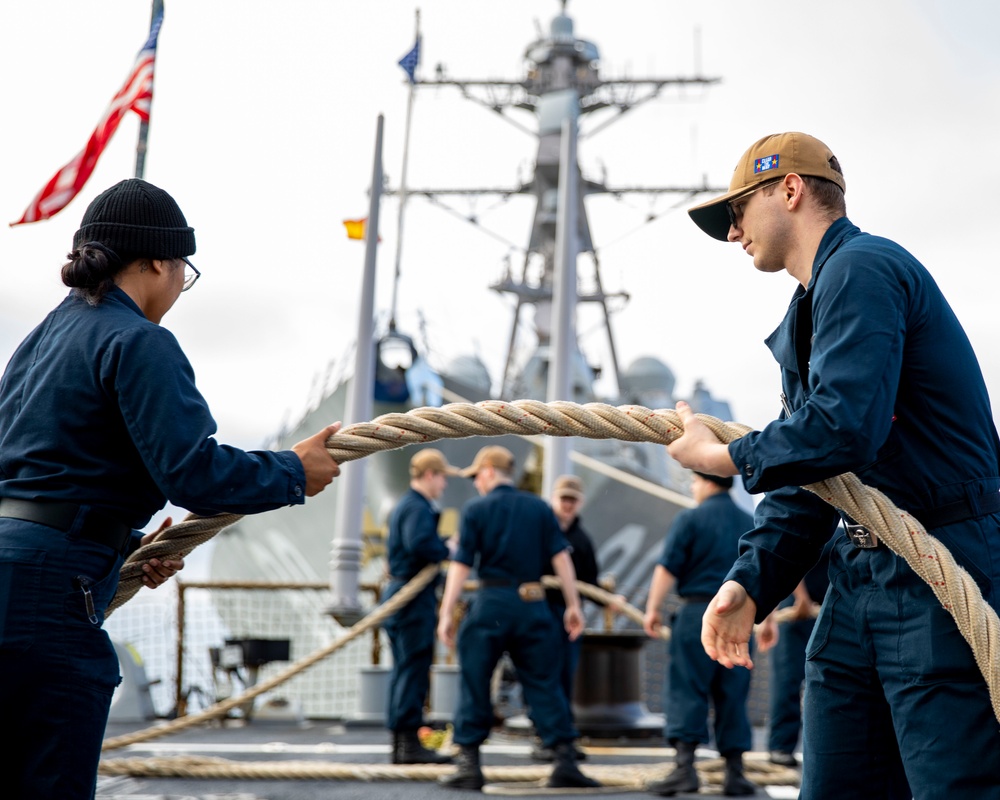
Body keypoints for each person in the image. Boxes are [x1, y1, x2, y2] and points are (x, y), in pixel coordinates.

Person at [670, 131, 1000, 798]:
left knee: (952, 786)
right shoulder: (810, 310)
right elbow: (815, 480)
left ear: (789, 191)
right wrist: (749, 584)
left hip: (939, 566)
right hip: (858, 583)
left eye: (738, 212)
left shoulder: (863, 269)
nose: (734, 234)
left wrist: (722, 455)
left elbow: (840, 431)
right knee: (832, 781)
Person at [0, 178, 341, 800]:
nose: (182, 283)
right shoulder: (139, 341)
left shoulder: (39, 341)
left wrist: (120, 545)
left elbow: (39, 472)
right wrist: (296, 471)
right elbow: (194, 474)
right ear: (157, 261)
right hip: (52, 594)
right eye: (184, 267)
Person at [436, 446, 600, 791]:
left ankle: (469, 763)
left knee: (475, 681)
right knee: (544, 682)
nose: (477, 484)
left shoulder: (476, 509)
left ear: (489, 471)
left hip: (491, 603)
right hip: (533, 604)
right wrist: (573, 605)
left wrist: (447, 610)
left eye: (477, 476)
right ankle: (564, 760)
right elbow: (561, 560)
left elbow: (462, 565)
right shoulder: (540, 508)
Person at [642, 472, 757, 797]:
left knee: (687, 687)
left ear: (706, 482)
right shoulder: (748, 520)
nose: (693, 488)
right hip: (739, 618)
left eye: (694, 481)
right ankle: (735, 773)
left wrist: (652, 609)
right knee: (733, 693)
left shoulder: (690, 518)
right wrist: (770, 620)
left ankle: (684, 769)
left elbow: (667, 567)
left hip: (696, 616)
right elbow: (765, 567)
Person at [383, 448, 458, 765]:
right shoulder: (418, 508)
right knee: (413, 671)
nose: (443, 485)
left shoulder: (405, 505)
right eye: (442, 478)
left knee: (403, 671)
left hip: (400, 596)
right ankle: (410, 745)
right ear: (430, 475)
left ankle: (402, 745)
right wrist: (447, 548)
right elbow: (421, 544)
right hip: (412, 601)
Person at [755, 535, 834, 768]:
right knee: (787, 682)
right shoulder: (812, 519)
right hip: (797, 614)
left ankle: (829, 748)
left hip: (827, 611)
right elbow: (786, 557)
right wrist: (801, 598)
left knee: (829, 683)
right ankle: (781, 746)